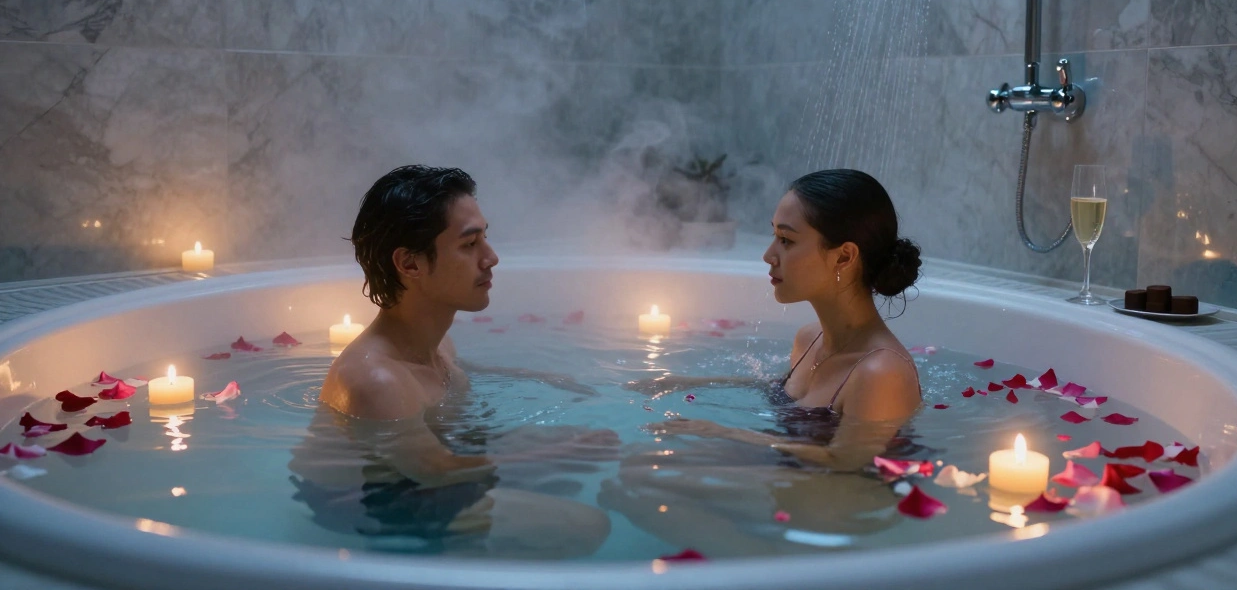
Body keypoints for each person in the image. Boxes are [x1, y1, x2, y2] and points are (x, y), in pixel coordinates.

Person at [291, 165, 614, 557]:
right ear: (409, 264)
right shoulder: (377, 381)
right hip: (371, 500)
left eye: (485, 238)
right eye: (469, 244)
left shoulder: (438, 346)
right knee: (586, 526)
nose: (491, 258)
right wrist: (561, 455)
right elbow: (436, 470)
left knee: (567, 454)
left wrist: (541, 378)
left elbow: (456, 385)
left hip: (413, 468)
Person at [630, 169, 924, 471]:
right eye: (775, 236)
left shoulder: (880, 372)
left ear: (844, 257)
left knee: (644, 475)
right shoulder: (809, 339)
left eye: (786, 240)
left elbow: (846, 462)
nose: (768, 255)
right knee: (639, 466)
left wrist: (724, 433)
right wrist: (686, 383)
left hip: (843, 503)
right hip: (794, 479)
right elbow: (779, 390)